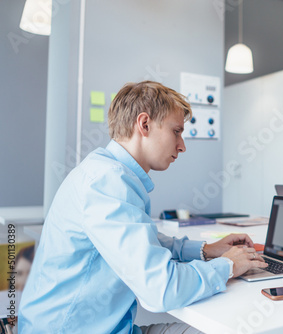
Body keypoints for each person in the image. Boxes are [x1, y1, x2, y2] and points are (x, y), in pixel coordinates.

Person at [19, 81, 267, 333]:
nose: (182, 146)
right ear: (144, 124)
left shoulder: (104, 171)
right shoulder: (108, 183)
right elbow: (162, 289)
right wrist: (228, 266)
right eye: (176, 131)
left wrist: (205, 250)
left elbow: (144, 237)